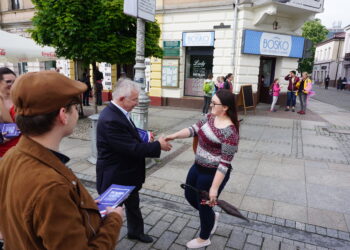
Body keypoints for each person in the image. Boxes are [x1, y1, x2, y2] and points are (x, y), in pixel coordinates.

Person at [0, 71, 124, 249]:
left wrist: (81, 207)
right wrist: (114, 220)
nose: (76, 112)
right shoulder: (52, 187)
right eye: (75, 106)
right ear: (63, 115)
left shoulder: (11, 156)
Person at [96, 78, 172, 243]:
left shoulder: (119, 113)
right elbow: (132, 148)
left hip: (127, 174)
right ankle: (100, 242)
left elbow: (129, 134)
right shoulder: (110, 119)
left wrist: (144, 135)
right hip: (115, 177)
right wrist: (158, 145)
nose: (138, 103)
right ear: (122, 99)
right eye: (135, 99)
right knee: (109, 212)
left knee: (133, 206)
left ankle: (135, 232)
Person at [165, 89, 239, 249]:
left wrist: (214, 188)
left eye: (214, 103)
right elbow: (193, 129)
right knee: (189, 195)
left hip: (213, 174)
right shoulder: (209, 117)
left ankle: (204, 237)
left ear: (225, 107)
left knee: (204, 205)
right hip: (197, 167)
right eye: (211, 101)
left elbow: (225, 163)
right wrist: (173, 135)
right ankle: (212, 217)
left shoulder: (230, 132)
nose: (210, 104)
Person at [0, 68, 20, 158]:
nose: (12, 85)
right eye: (8, 82)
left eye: (14, 82)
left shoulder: (19, 99)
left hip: (20, 150)